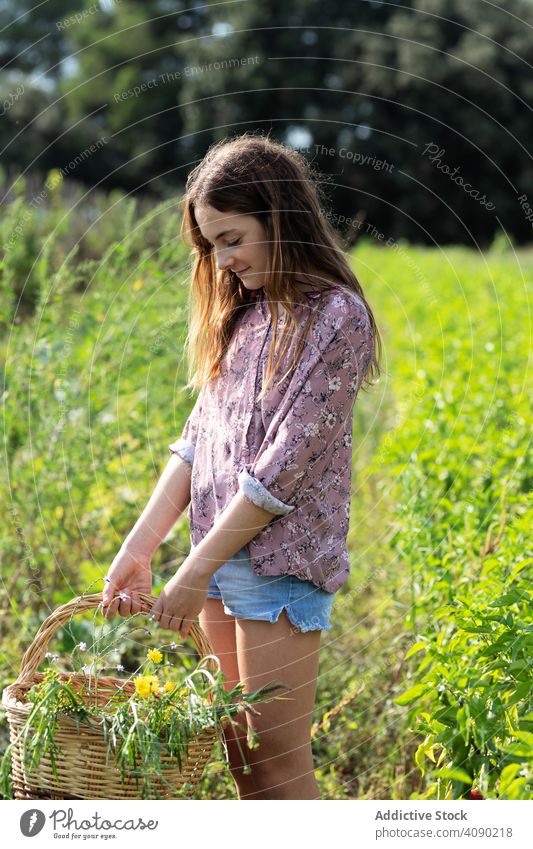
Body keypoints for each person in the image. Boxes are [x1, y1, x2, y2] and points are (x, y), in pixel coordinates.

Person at [100, 132, 381, 800]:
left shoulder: (335, 316)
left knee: (281, 768)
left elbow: (281, 469)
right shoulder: (245, 313)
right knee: (243, 764)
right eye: (211, 245)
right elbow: (198, 442)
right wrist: (139, 549)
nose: (222, 260)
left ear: (278, 219)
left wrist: (191, 571)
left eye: (231, 238)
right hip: (220, 564)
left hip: (277, 566)